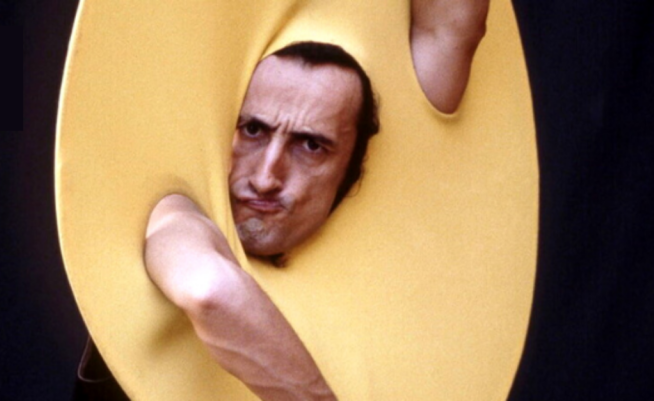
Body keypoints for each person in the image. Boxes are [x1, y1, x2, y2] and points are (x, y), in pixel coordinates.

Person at [74, 1, 488, 399]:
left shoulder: (399, 168)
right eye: (253, 130)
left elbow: (452, 28)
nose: (266, 178)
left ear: (354, 166)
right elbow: (210, 289)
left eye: (311, 145)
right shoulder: (175, 216)